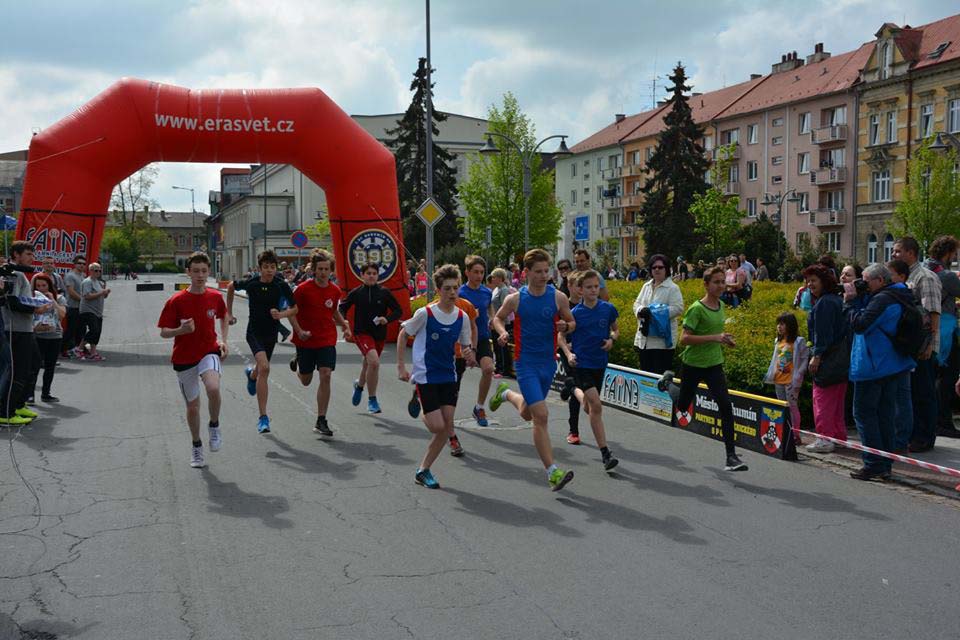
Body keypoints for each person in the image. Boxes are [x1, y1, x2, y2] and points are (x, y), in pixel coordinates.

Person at [489, 248, 577, 491]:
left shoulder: (558, 297)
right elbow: (496, 318)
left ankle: (506, 394)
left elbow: (571, 322)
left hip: (548, 363)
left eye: (546, 271)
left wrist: (565, 325)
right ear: (526, 273)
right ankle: (552, 472)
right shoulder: (515, 299)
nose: (543, 275)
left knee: (529, 413)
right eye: (538, 272)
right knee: (542, 416)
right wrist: (503, 331)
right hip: (525, 362)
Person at [397, 264, 475, 489]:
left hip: (448, 375)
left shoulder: (462, 317)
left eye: (455, 288)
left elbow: (465, 345)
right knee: (436, 427)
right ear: (438, 290)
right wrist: (401, 367)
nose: (452, 292)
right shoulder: (425, 313)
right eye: (448, 288)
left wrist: (469, 354)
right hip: (426, 376)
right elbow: (403, 334)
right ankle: (421, 400)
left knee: (446, 426)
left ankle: (423, 470)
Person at [666, 266, 747, 471]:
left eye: (722, 282)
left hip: (714, 364)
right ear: (706, 284)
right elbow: (684, 339)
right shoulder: (696, 309)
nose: (721, 286)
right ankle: (667, 383)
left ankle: (731, 457)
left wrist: (724, 340)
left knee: (726, 407)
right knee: (683, 406)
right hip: (693, 364)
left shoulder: (720, 305)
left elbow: (716, 333)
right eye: (716, 282)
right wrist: (715, 338)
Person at [844, 263, 916, 480]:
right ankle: (885, 463)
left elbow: (861, 324)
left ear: (880, 281)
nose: (862, 285)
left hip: (873, 366)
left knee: (864, 414)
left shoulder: (882, 300)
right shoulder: (899, 295)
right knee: (884, 415)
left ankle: (874, 463)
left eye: (865, 281)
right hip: (891, 365)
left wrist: (850, 303)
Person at [158, 252, 229, 469]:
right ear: (188, 272)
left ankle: (214, 425)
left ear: (209, 273)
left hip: (209, 351)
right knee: (193, 407)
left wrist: (224, 341)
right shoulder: (176, 300)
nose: (200, 275)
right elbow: (164, 332)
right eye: (196, 271)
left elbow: (224, 316)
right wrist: (181, 329)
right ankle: (197, 446)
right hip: (184, 357)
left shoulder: (215, 297)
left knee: (214, 388)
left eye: (204, 271)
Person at [227, 250, 298, 434]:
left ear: (276, 268)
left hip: (271, 332)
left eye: (272, 267)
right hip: (254, 332)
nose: (269, 271)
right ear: (260, 268)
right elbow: (230, 287)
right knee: (265, 368)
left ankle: (251, 375)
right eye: (265, 267)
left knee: (261, 368)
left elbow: (295, 308)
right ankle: (263, 417)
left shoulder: (281, 285)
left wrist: (281, 314)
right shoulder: (252, 283)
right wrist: (229, 312)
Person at [288, 249, 351, 437]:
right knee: (306, 381)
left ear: (331, 271)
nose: (323, 272)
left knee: (326, 375)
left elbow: (333, 311)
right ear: (314, 270)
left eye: (326, 269)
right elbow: (291, 312)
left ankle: (321, 419)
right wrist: (299, 331)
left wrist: (344, 325)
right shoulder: (302, 289)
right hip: (305, 340)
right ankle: (299, 363)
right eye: (320, 269)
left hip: (326, 339)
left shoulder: (335, 290)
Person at [560, 269, 620, 471]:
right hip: (581, 364)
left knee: (588, 407)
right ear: (580, 290)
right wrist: (569, 355)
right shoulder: (575, 314)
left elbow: (616, 329)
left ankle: (572, 387)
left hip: (600, 363)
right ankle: (605, 453)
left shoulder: (608, 309)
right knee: (596, 405)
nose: (594, 290)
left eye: (596, 286)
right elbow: (561, 338)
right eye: (589, 287)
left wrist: (612, 339)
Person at [893, 237, 942, 452]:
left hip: (923, 347)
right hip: (909, 345)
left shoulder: (925, 277)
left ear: (911, 253)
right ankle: (913, 433)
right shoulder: (905, 276)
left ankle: (925, 437)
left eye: (897, 251)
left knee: (924, 393)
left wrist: (929, 344)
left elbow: (932, 313)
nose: (894, 254)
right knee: (911, 392)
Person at [339, 262, 402, 414]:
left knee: (369, 365)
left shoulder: (384, 292)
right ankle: (372, 400)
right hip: (362, 333)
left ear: (378, 275)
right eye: (368, 273)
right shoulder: (357, 292)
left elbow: (398, 311)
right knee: (374, 362)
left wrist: (386, 319)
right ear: (362, 275)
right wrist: (344, 322)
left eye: (374, 273)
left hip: (379, 334)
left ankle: (359, 386)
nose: (371, 276)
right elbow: (342, 307)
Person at [0, 242, 49, 425]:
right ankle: (6, 412)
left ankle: (18, 403)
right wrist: (35, 309)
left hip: (26, 330)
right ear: (16, 254)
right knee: (17, 371)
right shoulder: (14, 274)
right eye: (28, 254)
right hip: (15, 330)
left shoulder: (21, 274)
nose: (31, 258)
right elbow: (11, 302)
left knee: (33, 364)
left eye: (32, 254)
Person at [803, 263, 849, 453]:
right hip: (841, 359)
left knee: (822, 399)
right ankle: (838, 436)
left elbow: (823, 334)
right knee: (837, 402)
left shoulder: (824, 303)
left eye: (813, 280)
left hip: (828, 360)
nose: (809, 285)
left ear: (823, 281)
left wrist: (816, 357)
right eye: (807, 281)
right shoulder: (836, 300)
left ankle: (824, 438)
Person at [924, 235, 960, 440]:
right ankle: (943, 422)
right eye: (954, 253)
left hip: (929, 327)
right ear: (948, 253)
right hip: (945, 328)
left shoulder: (926, 268)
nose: (954, 257)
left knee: (935, 375)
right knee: (948, 375)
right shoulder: (946, 275)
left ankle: (936, 420)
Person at [458, 255, 496, 427]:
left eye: (481, 272)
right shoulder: (459, 293)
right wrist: (469, 316)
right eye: (475, 272)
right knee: (454, 379)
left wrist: (493, 320)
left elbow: (490, 309)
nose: (479, 276)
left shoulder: (487, 292)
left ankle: (479, 407)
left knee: (488, 369)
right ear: (467, 272)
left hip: (482, 337)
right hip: (461, 340)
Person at [633, 254, 684, 375]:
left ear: (666, 269)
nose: (657, 269)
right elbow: (636, 303)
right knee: (645, 377)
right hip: (644, 340)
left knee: (659, 378)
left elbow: (678, 308)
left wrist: (653, 313)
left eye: (660, 267)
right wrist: (640, 310)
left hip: (662, 343)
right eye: (654, 267)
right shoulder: (646, 286)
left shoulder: (673, 288)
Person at [764, 312, 808, 442]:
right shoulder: (778, 341)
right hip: (779, 379)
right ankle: (784, 432)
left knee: (792, 406)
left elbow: (805, 358)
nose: (779, 327)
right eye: (778, 324)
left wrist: (799, 373)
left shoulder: (799, 341)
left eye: (782, 324)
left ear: (790, 325)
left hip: (791, 381)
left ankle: (795, 435)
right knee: (782, 407)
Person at [27, 274, 66, 403]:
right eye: (38, 286)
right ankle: (30, 394)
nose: (41, 288)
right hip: (38, 335)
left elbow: (62, 315)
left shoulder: (59, 298)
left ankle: (46, 393)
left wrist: (52, 301)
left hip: (55, 336)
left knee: (50, 366)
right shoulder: (32, 299)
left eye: (44, 285)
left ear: (50, 286)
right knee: (34, 366)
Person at [559, 270, 584, 444]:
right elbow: (558, 336)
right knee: (576, 387)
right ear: (569, 286)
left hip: (585, 353)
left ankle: (568, 387)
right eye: (578, 286)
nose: (582, 290)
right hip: (568, 352)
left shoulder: (588, 305)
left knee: (577, 386)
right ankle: (573, 430)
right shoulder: (564, 306)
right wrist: (567, 350)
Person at [78, 262, 110, 361]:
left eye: (100, 270)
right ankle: (79, 348)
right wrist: (102, 292)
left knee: (97, 332)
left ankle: (93, 353)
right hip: (88, 310)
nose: (98, 272)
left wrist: (106, 293)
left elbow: (103, 296)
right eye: (96, 270)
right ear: (90, 271)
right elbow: (87, 296)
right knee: (94, 330)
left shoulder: (99, 282)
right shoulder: (87, 281)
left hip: (98, 311)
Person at [488, 268, 515, 378]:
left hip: (503, 322)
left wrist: (501, 322)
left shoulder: (504, 290)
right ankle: (499, 367)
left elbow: (505, 308)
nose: (492, 279)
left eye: (494, 277)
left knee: (502, 346)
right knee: (496, 345)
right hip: (495, 321)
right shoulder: (496, 290)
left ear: (500, 278)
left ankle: (504, 370)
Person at [62, 255, 86, 358]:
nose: (81, 265)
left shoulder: (83, 275)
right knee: (71, 330)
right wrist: (83, 301)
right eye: (79, 263)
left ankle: (77, 349)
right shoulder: (70, 276)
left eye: (83, 264)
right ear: (74, 264)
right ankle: (62, 350)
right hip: (72, 307)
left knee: (81, 329)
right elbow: (71, 292)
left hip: (81, 308)